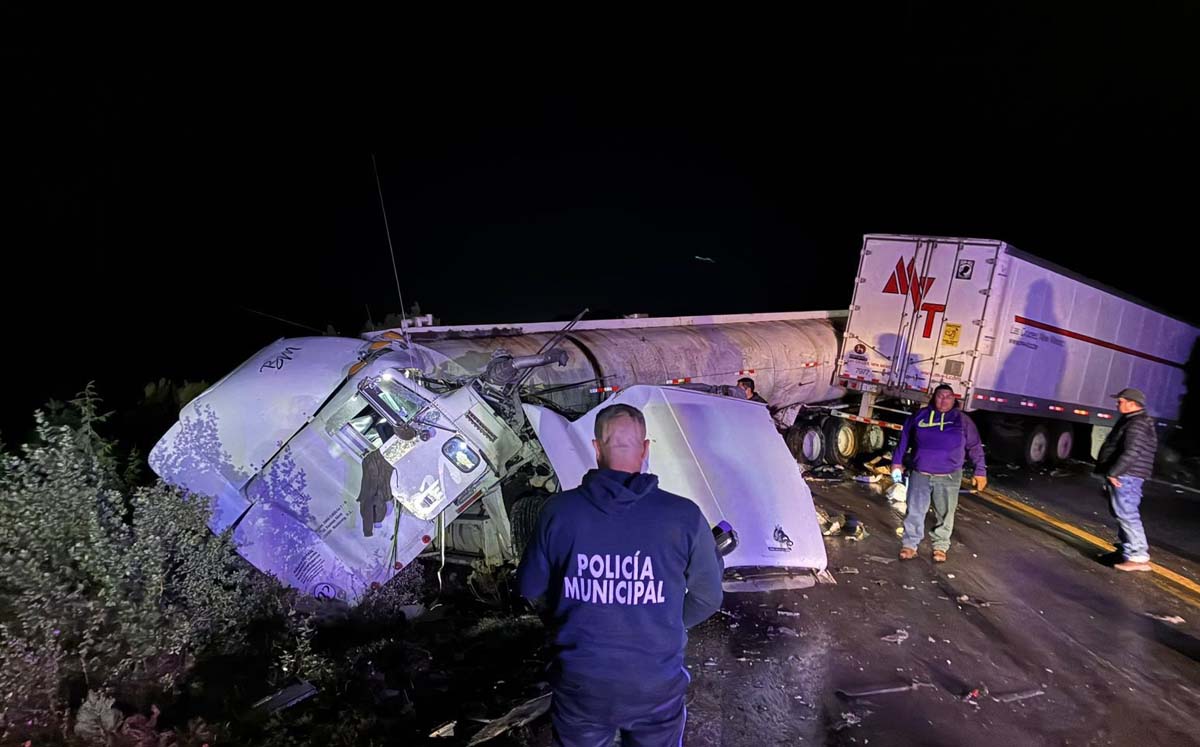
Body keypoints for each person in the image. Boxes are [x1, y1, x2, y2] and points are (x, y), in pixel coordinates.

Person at [517, 403, 723, 747]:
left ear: (596, 448)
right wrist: (661, 624)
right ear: (645, 449)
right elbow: (708, 597)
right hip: (655, 685)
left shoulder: (559, 512)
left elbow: (530, 586)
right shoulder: (684, 516)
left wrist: (572, 619)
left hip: (581, 683)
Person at [891, 383, 987, 563]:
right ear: (933, 398)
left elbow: (975, 446)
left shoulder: (962, 420)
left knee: (945, 514)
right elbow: (903, 440)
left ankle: (940, 546)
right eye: (940, 396)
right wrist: (897, 463)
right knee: (915, 511)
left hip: (948, 476)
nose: (944, 401)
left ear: (954, 399)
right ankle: (910, 545)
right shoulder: (919, 416)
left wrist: (980, 471)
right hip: (921, 473)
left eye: (948, 397)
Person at [1095, 387, 1158, 572]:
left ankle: (1138, 556)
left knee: (1126, 514)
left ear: (1132, 403)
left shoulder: (1138, 423)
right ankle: (1126, 551)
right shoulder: (1131, 420)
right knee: (1121, 513)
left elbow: (1132, 451)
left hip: (1127, 475)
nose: (1117, 404)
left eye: (1120, 401)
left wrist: (1115, 472)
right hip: (1125, 474)